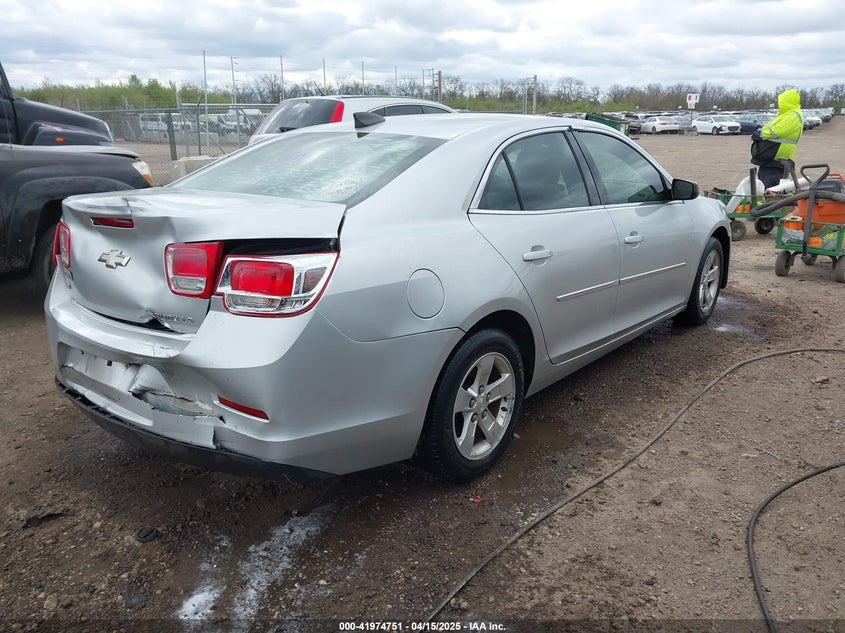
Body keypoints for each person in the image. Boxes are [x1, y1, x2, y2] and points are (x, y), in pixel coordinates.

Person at [750, 88, 804, 188]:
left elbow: (779, 130)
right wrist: (760, 130)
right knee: (764, 186)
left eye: (781, 101)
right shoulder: (785, 115)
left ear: (786, 101)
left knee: (770, 188)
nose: (779, 104)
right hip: (771, 158)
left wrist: (761, 134)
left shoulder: (793, 115)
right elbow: (770, 127)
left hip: (776, 156)